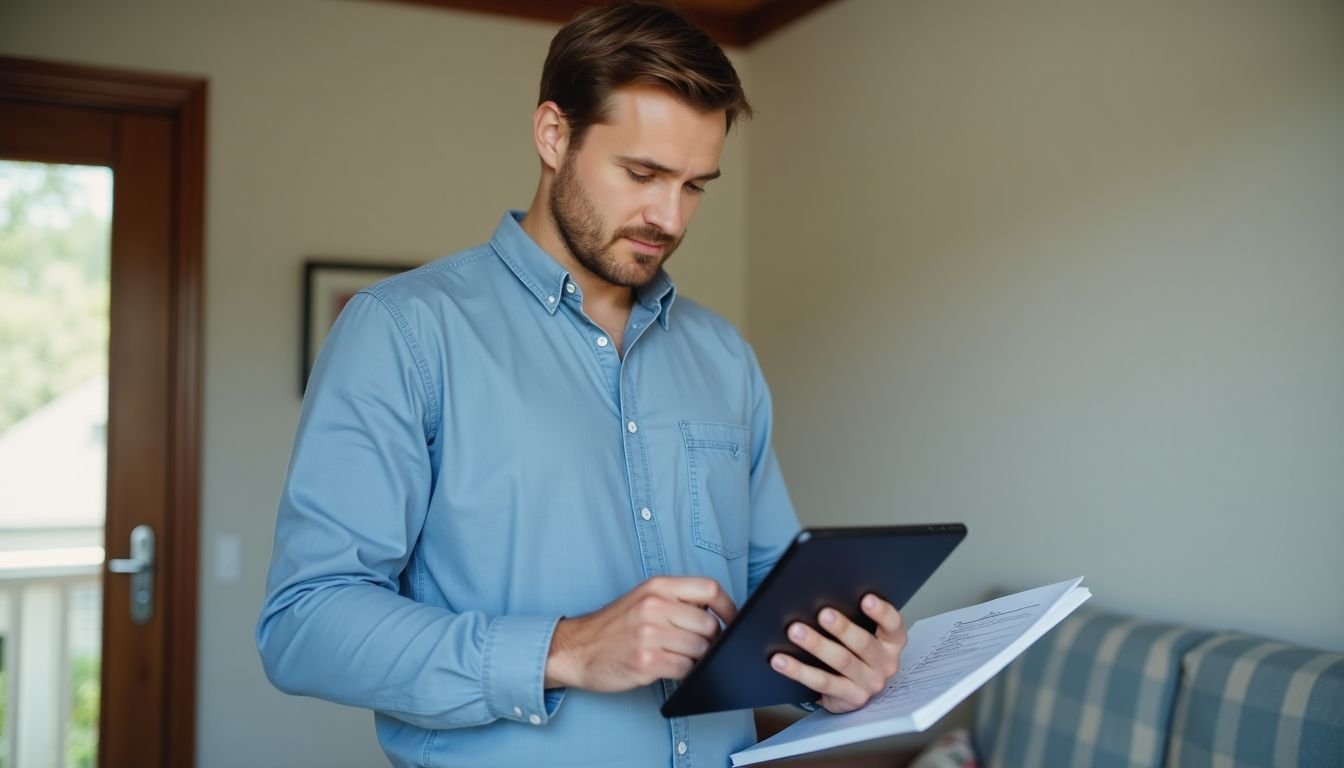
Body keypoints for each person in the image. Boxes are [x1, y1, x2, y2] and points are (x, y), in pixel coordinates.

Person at [256, 3, 907, 766]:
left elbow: (768, 593)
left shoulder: (725, 357)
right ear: (553, 135)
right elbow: (305, 624)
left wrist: (831, 665)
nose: (668, 216)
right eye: (643, 173)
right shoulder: (404, 333)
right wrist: (564, 650)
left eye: (696, 185)